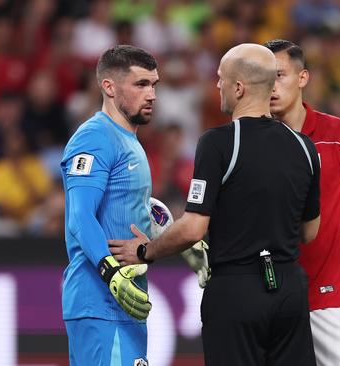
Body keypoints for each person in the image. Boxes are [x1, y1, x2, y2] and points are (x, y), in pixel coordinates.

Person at [108, 43, 321, 366]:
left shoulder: (218, 143)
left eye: (221, 78)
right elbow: (309, 231)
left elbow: (194, 227)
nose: (217, 85)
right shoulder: (304, 146)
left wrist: (145, 250)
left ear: (238, 87)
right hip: (289, 289)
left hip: (236, 289)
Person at [264, 39, 340, 366]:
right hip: (271, 301)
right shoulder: (250, 143)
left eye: (280, 76)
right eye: (264, 78)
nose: (272, 87)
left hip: (334, 301)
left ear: (303, 78)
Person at [60, 45, 158, 365]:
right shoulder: (94, 137)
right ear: (109, 87)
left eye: (154, 84)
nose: (152, 94)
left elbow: (130, 206)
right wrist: (111, 272)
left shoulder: (128, 140)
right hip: (100, 300)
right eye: (141, 84)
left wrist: (179, 238)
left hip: (125, 304)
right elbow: (80, 216)